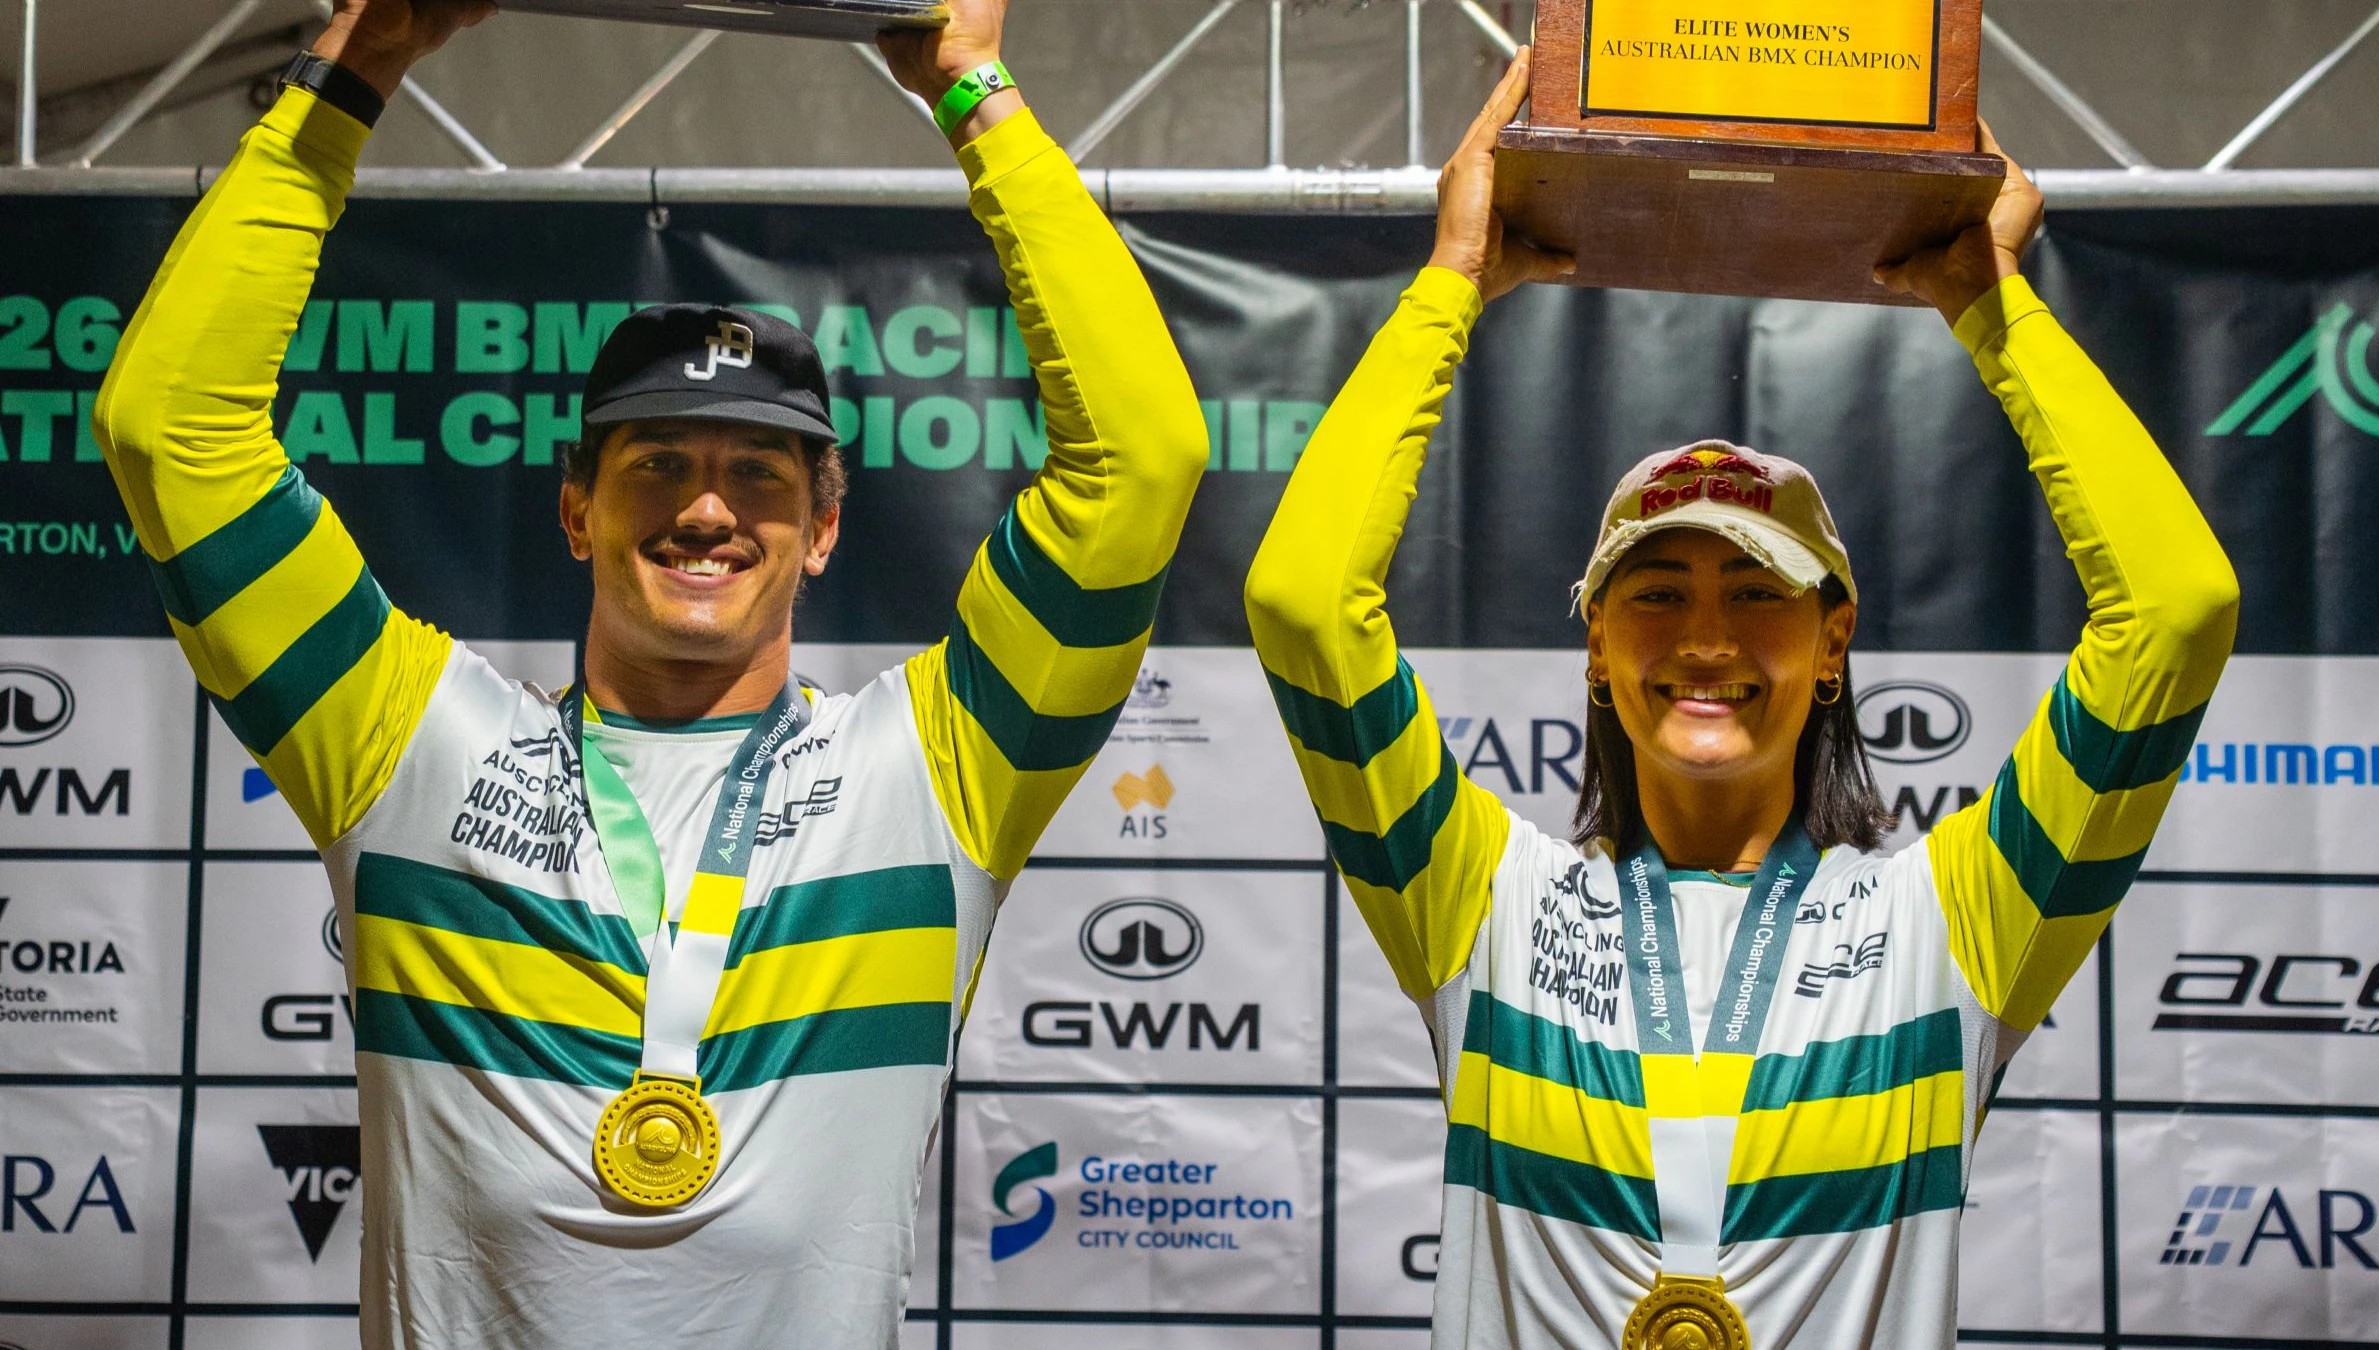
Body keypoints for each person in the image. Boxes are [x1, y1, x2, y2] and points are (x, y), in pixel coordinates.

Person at [91, 0, 1207, 1342]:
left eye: (756, 473)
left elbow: (1141, 465)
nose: (706, 510)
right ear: (578, 510)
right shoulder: (402, 745)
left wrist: (973, 96)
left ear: (824, 525)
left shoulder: (933, 774)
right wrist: (358, 62)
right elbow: (172, 433)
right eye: (659, 465)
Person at [1243, 49, 2239, 1350]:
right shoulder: (1478, 902)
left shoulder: (1956, 924)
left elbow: (2174, 612)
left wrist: (1996, 309)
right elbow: (1306, 601)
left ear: (1836, 641)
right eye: (1655, 592)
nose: (1706, 638)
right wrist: (1452, 282)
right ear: (1594, 643)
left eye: (1756, 591)